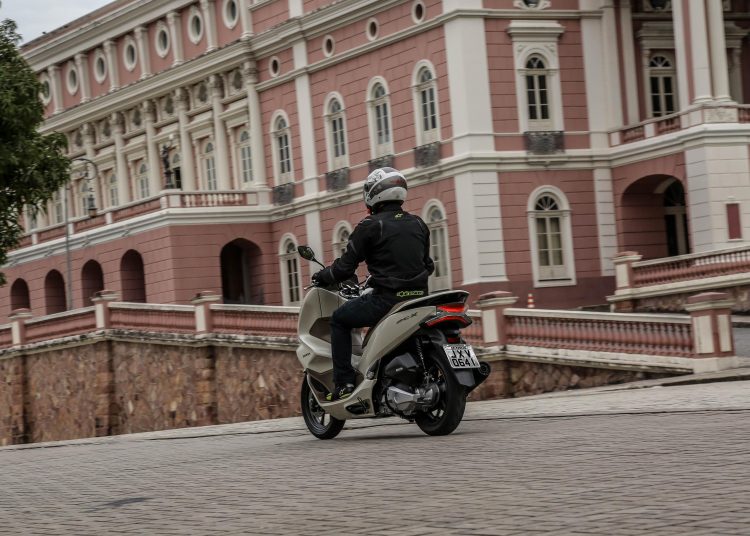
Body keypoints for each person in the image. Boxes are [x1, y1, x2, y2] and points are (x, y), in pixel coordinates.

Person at [312, 167, 435, 401]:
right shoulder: (418, 223)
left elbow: (344, 268)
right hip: (419, 298)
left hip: (386, 300)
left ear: (373, 193)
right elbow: (428, 265)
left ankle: (344, 384)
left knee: (339, 319)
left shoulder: (370, 225)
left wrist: (323, 276)